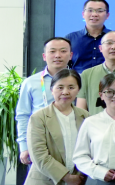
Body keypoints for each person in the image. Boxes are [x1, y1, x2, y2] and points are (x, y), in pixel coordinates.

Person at [17, 38, 74, 167]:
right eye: (52, 51)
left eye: (63, 51)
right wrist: (24, 146)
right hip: (40, 141)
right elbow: (23, 115)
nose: (57, 55)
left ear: (70, 55)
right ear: (44, 56)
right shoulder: (30, 82)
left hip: (72, 140)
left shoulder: (79, 80)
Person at [65, 0, 110, 73]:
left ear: (107, 15)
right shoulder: (71, 38)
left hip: (108, 79)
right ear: (83, 14)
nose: (94, 14)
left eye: (100, 11)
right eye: (90, 10)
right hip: (79, 79)